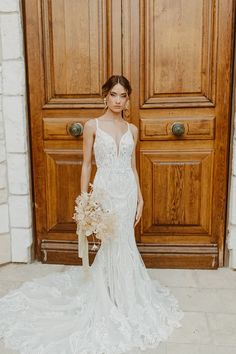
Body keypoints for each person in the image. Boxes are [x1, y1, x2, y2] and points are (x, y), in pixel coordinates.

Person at [0, 75, 184, 354]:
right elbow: (87, 164)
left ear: (128, 98)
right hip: (105, 190)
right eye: (113, 95)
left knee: (125, 242)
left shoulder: (132, 129)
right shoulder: (92, 126)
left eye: (123, 96)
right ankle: (107, 294)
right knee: (112, 241)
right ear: (105, 96)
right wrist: (86, 198)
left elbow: (132, 166)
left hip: (127, 191)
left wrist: (141, 197)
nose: (118, 101)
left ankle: (125, 293)